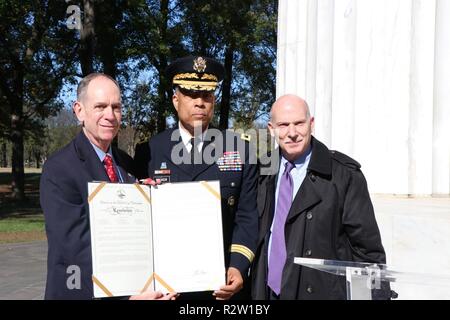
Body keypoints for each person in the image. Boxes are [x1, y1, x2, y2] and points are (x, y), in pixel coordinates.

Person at [40, 73, 177, 300]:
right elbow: (75, 249)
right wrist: (128, 296)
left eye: (116, 107)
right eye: (100, 106)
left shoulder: (126, 163)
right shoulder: (60, 169)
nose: (110, 115)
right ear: (79, 111)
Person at [133, 56, 258, 300]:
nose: (200, 103)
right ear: (175, 99)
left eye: (207, 96)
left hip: (220, 286)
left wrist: (238, 266)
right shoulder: (150, 152)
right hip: (165, 289)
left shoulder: (240, 150)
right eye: (191, 94)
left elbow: (247, 217)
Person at [251, 94, 389, 300]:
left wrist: (375, 296)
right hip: (266, 293)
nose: (292, 133)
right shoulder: (259, 171)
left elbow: (367, 251)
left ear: (311, 123)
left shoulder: (344, 175)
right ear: (271, 129)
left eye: (299, 123)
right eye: (283, 125)